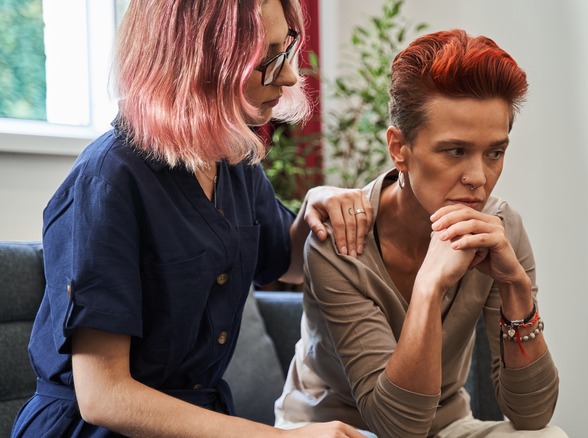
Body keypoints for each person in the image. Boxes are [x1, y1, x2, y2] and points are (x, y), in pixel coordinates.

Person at [11, 0, 370, 437]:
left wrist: (319, 201)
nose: (290, 76)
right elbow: (103, 395)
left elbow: (289, 263)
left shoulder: (232, 162)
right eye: (267, 58)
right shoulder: (108, 180)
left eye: (286, 51)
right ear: (201, 61)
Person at [274, 29, 567, 437]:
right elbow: (397, 426)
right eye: (455, 151)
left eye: (495, 153)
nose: (478, 178)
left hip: (444, 426)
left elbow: (532, 415)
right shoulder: (340, 237)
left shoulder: (500, 228)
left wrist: (515, 286)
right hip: (334, 429)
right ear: (399, 149)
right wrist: (429, 286)